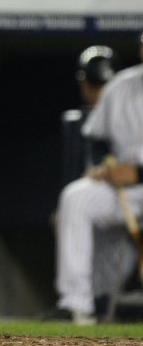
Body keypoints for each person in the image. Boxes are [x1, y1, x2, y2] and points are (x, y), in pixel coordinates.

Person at [48, 33, 143, 325]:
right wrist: (104, 165)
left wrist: (138, 172)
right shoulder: (121, 86)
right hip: (128, 189)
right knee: (76, 197)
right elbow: (95, 137)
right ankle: (77, 305)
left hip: (135, 178)